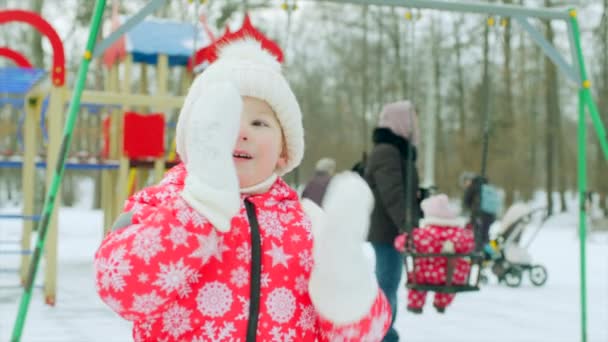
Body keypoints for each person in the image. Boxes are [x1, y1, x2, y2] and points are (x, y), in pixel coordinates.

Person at [94, 38, 390, 341]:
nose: (241, 132)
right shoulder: (160, 205)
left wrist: (344, 289)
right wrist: (197, 206)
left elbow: (363, 336)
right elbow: (121, 289)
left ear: (284, 152)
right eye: (225, 121)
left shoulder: (308, 224)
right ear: (192, 139)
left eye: (259, 123)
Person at [364, 100, 421, 342]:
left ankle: (384, 330)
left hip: (391, 228)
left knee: (389, 281)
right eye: (412, 120)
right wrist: (407, 224)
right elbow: (393, 192)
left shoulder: (394, 150)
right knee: (387, 281)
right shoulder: (388, 151)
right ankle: (381, 332)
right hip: (388, 230)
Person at [394, 194, 474, 314]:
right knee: (449, 284)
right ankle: (441, 303)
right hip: (451, 276)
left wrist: (405, 239)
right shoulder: (460, 234)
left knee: (417, 280)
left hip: (425, 275)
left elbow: (400, 243)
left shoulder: (422, 234)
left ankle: (415, 304)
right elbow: (470, 245)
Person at [461, 172, 496, 247]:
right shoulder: (486, 185)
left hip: (479, 215)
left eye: (465, 182)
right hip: (491, 215)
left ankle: (479, 255)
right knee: (486, 235)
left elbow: (466, 201)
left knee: (477, 236)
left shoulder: (473, 186)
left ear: (468, 180)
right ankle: (494, 251)